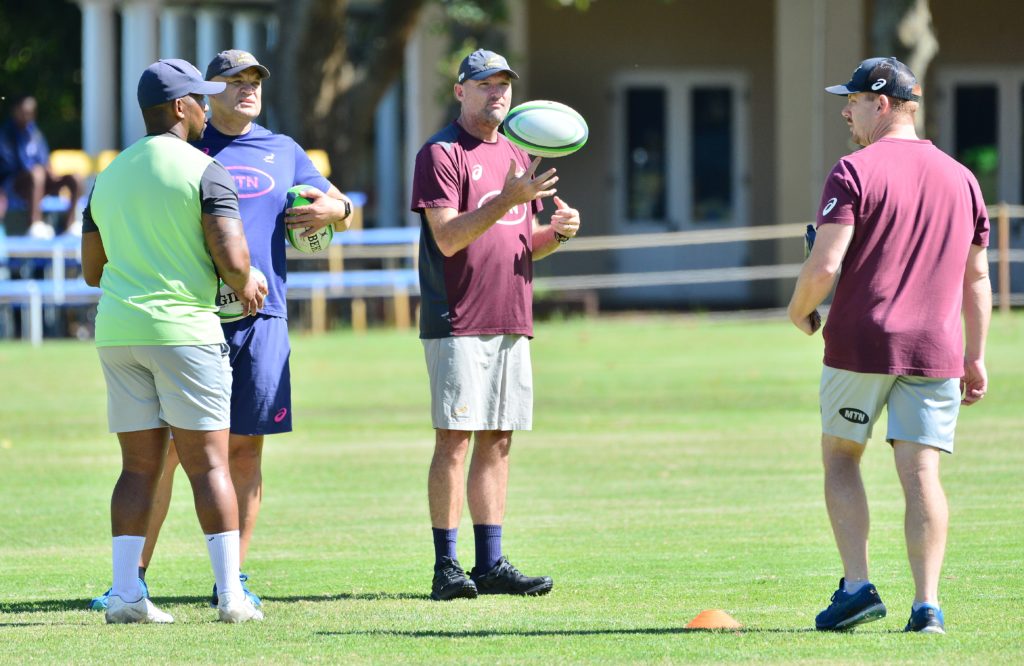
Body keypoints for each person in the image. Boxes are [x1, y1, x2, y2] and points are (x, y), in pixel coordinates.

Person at [87, 49, 353, 611]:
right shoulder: (192, 154)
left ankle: (218, 580)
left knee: (240, 452)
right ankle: (148, 582)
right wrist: (239, 276)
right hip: (192, 322)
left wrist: (338, 212)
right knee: (177, 458)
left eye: (254, 78)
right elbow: (228, 253)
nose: (244, 89)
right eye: (230, 82)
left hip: (247, 320)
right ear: (196, 100)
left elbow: (336, 201)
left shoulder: (282, 150)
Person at [787, 57, 991, 634]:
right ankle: (927, 606)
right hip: (937, 349)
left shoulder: (854, 170)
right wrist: (976, 354)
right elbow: (977, 279)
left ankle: (856, 588)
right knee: (921, 471)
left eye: (851, 100)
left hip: (863, 342)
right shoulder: (963, 177)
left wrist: (798, 310)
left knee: (841, 457)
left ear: (881, 103)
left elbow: (825, 263)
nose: (845, 111)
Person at [81, 58, 267, 624]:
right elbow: (232, 260)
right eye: (201, 100)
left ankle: (125, 595)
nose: (206, 108)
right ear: (182, 108)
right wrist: (247, 280)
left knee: (137, 468)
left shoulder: (107, 175)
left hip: (119, 333)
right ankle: (231, 597)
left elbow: (92, 269)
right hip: (184, 332)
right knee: (210, 465)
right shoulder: (206, 170)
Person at [410, 48, 582, 601]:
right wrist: (509, 197)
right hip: (457, 318)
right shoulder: (441, 153)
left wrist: (554, 233)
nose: (497, 94)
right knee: (454, 440)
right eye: (485, 84)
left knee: (499, 440)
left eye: (504, 84)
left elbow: (516, 242)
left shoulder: (516, 152)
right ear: (461, 91)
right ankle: (446, 567)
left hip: (512, 316)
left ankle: (490, 563)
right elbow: (448, 237)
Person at [0, 95, 84, 238]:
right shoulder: (5, 134)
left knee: (75, 178)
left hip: (40, 180)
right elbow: (10, 166)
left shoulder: (36, 134)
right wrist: (38, 171)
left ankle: (70, 224)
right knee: (37, 173)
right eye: (24, 112)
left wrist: (49, 172)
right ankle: (35, 224)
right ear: (15, 111)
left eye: (31, 112)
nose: (28, 116)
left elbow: (45, 161)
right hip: (14, 185)